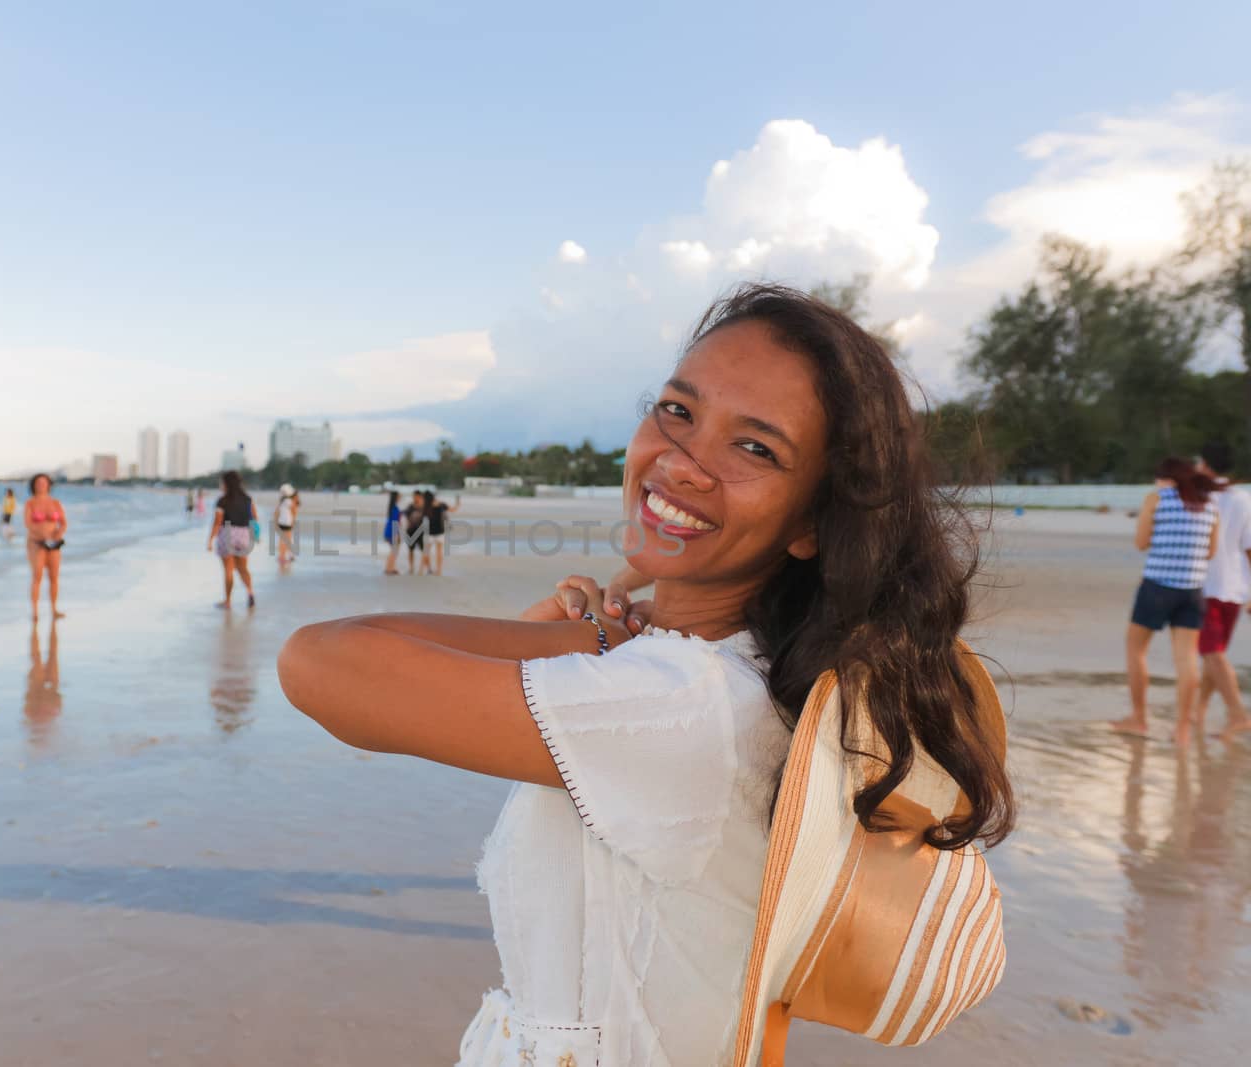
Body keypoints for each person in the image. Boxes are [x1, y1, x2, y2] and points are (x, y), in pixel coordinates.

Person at [277, 285, 1015, 1065]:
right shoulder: (747, 679)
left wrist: (583, 635)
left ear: (811, 523)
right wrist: (582, 631)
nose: (686, 461)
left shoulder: (686, 703)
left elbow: (320, 662)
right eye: (678, 410)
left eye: (756, 448)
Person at [1113, 457, 1220, 745]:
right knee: (1187, 660)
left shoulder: (1157, 499)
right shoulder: (1209, 505)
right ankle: (1183, 730)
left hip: (1157, 587)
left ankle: (1139, 719)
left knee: (1136, 650)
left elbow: (1141, 542)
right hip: (1193, 590)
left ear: (1166, 478)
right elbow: (1210, 551)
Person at [1193, 443, 1251, 741]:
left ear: (1205, 465)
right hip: (1236, 587)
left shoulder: (1199, 498)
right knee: (1214, 654)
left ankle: (1239, 715)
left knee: (1212, 653)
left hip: (1206, 586)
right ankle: (1199, 712)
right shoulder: (1244, 499)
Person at [208, 470, 257, 608]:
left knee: (228, 570)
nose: (220, 484)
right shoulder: (248, 499)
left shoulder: (222, 500)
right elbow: (254, 518)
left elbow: (217, 522)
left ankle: (228, 601)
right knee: (243, 568)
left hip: (227, 533)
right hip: (244, 534)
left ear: (226, 483)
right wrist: (255, 536)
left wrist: (210, 540)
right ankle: (250, 592)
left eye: (221, 482)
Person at [24, 473, 68, 621]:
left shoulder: (55, 503)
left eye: (44, 483)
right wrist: (42, 535)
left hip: (54, 544)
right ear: (34, 485)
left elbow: (63, 522)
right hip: (36, 543)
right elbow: (28, 524)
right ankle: (35, 612)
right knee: (37, 576)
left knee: (54, 577)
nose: (41, 485)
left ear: (49, 485)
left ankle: (54, 609)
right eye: (38, 483)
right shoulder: (30, 503)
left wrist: (59, 533)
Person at [422, 489, 460, 575]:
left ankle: (429, 569)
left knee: (426, 552)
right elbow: (453, 510)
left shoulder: (425, 506)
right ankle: (439, 570)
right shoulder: (441, 504)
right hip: (440, 532)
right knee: (439, 552)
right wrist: (458, 502)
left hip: (428, 533)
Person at [402, 489, 426, 574]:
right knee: (411, 550)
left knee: (424, 551)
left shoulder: (424, 507)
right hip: (411, 531)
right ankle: (411, 568)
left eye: (416, 496)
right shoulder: (410, 506)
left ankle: (422, 568)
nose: (414, 498)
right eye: (414, 496)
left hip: (421, 531)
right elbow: (404, 514)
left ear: (420, 497)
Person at [275, 483, 299, 566]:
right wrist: (293, 521)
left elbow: (277, 512)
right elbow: (294, 511)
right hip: (287, 523)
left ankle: (283, 556)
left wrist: (276, 522)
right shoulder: (290, 501)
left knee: (282, 540)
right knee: (287, 540)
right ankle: (284, 557)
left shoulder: (281, 501)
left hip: (281, 522)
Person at [382, 490, 403, 575]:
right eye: (399, 496)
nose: (400, 498)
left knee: (393, 551)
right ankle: (389, 568)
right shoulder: (394, 508)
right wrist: (397, 534)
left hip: (389, 530)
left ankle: (391, 567)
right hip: (392, 531)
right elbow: (395, 522)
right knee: (394, 551)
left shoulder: (392, 507)